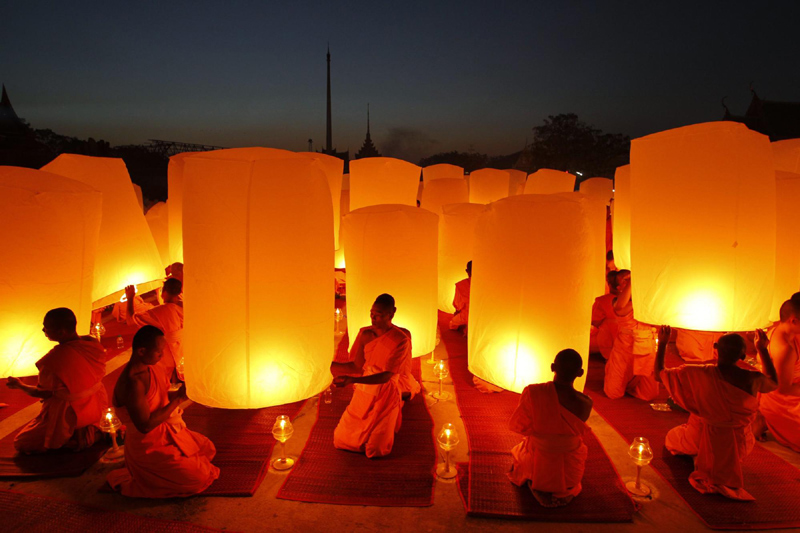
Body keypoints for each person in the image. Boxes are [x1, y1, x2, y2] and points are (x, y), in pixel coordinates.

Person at [656, 326, 778, 500]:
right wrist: (762, 349)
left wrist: (662, 344)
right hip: (740, 445)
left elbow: (659, 374)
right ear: (743, 357)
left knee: (672, 438)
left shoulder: (698, 372)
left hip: (701, 436)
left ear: (715, 348)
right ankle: (713, 460)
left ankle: (701, 456)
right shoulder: (753, 379)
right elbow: (774, 383)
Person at [107, 326, 219, 498]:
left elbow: (159, 397)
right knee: (198, 477)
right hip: (149, 445)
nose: (162, 355)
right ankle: (147, 474)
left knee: (207, 448)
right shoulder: (133, 383)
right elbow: (145, 426)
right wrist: (178, 400)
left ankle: (177, 464)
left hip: (168, 432)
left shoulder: (151, 367)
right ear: (142, 351)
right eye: (159, 352)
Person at [6, 308, 109, 453]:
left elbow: (43, 393)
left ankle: (74, 438)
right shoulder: (92, 344)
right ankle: (89, 431)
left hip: (68, 412)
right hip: (96, 403)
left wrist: (20, 385)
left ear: (61, 332)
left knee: (22, 442)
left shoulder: (53, 361)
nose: (43, 330)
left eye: (46, 328)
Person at [332, 294, 420, 458]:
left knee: (376, 449)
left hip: (386, 392)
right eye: (371, 313)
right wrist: (327, 365)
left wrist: (352, 380)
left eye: (378, 314)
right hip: (365, 391)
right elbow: (356, 366)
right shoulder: (366, 335)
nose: (373, 317)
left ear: (391, 313)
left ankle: (397, 405)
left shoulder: (400, 339)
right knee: (341, 440)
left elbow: (386, 376)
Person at [508, 349, 592, 508]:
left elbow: (520, 426)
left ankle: (538, 482)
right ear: (580, 373)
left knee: (521, 450)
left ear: (553, 367)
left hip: (540, 462)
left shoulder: (533, 392)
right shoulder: (586, 403)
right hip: (570, 473)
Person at [603, 270, 659, 400]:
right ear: (620, 288)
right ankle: (621, 379)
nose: (629, 282)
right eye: (625, 280)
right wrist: (634, 279)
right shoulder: (618, 302)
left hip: (646, 349)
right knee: (613, 393)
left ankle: (631, 384)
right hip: (625, 350)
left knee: (649, 395)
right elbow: (620, 308)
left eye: (630, 279)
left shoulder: (649, 301)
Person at [753, 299, 800, 451]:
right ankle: (767, 420)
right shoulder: (786, 349)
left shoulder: (779, 327)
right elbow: (783, 389)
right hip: (784, 401)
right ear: (793, 320)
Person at [125, 279, 183, 385]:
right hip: (182, 352)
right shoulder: (182, 308)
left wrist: (130, 298)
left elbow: (130, 321)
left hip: (164, 356)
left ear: (164, 292)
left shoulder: (155, 312)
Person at [589, 270, 620, 359]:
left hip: (607, 338)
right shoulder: (631, 301)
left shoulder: (602, 301)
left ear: (609, 284)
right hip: (625, 340)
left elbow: (595, 321)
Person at [449, 261, 472, 334]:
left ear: (467, 271)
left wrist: (456, 313)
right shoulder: (484, 283)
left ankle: (465, 328)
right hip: (482, 315)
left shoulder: (462, 285)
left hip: (467, 315)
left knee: (452, 324)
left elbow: (458, 305)